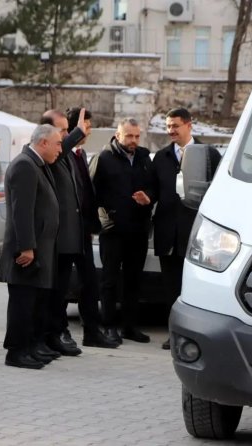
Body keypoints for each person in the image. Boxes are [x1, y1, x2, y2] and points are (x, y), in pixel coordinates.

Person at [41, 108, 118, 353]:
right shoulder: (57, 153)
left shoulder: (79, 154)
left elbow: (84, 190)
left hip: (82, 229)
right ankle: (58, 331)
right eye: (65, 130)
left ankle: (92, 332)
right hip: (64, 232)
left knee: (90, 284)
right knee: (61, 286)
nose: (88, 131)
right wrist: (75, 133)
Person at [0, 124, 64, 369]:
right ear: (43, 143)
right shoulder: (25, 165)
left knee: (34, 302)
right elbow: (22, 212)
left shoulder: (37, 164)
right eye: (57, 143)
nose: (60, 148)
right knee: (22, 303)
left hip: (39, 247)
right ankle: (16, 352)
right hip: (26, 250)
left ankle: (30, 347)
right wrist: (27, 247)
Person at [151, 108, 215, 350]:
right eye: (168, 126)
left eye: (175, 126)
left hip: (196, 235)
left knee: (195, 286)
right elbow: (152, 189)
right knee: (171, 288)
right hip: (168, 233)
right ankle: (174, 334)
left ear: (189, 125)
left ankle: (196, 336)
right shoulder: (161, 157)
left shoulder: (208, 155)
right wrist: (147, 197)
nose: (171, 131)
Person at [89, 118, 154, 344]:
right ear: (118, 135)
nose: (134, 140)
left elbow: (153, 186)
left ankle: (129, 327)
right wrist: (102, 220)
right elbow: (90, 192)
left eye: (137, 136)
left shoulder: (145, 158)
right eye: (129, 136)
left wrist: (149, 197)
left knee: (133, 280)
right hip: (113, 230)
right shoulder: (104, 158)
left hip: (138, 230)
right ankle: (108, 326)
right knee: (109, 281)